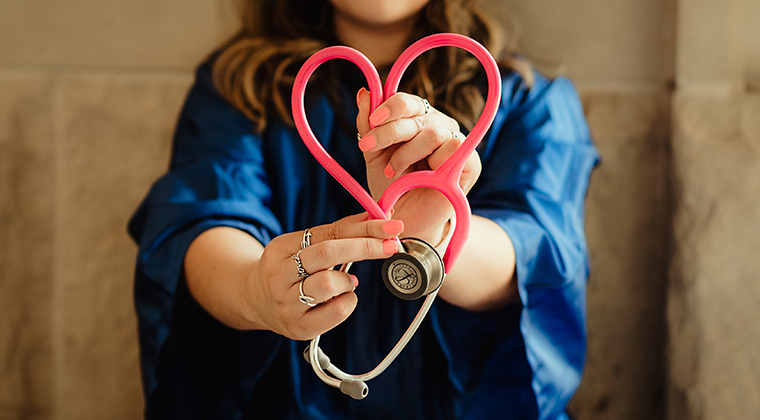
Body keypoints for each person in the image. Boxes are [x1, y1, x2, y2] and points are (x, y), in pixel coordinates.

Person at [128, 0, 599, 418]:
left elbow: (536, 250)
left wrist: (434, 236)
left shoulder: (529, 100)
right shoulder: (237, 89)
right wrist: (255, 289)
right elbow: (199, 220)